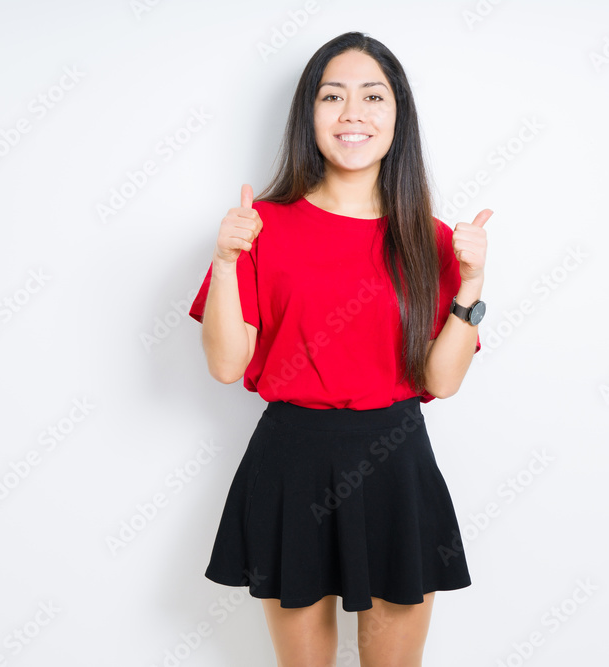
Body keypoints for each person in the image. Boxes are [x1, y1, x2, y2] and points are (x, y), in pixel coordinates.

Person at [188, 31, 490, 666]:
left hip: (396, 461)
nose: (353, 113)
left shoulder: (430, 238)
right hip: (291, 462)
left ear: (398, 116)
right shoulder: (261, 227)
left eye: (373, 96)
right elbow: (225, 365)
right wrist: (225, 262)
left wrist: (471, 284)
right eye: (333, 96)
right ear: (310, 114)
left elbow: (441, 381)